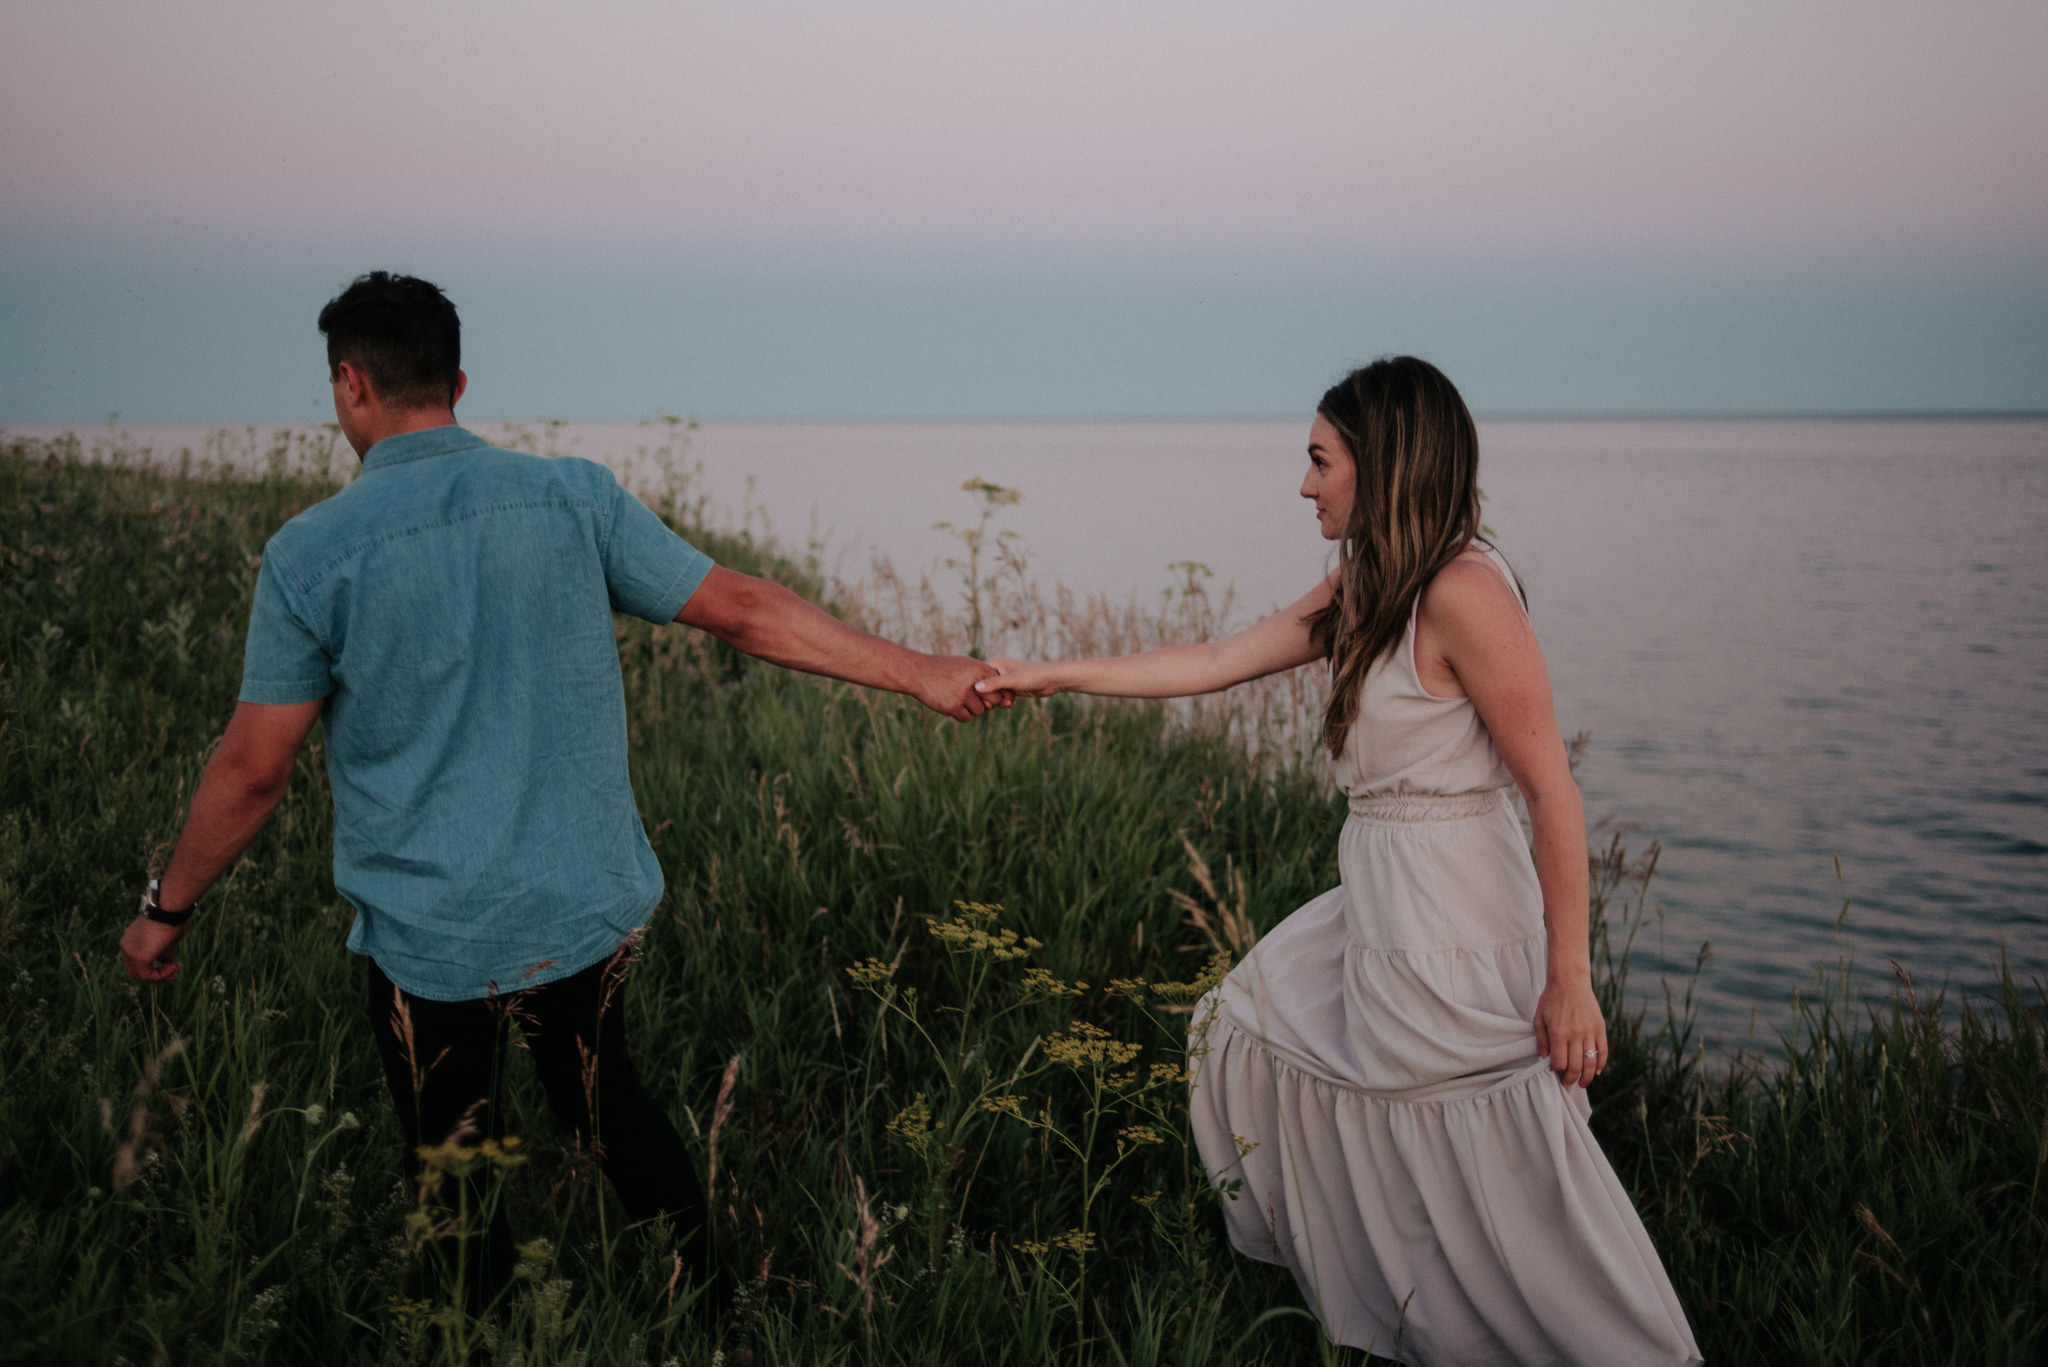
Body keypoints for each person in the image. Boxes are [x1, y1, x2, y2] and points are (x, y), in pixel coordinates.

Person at [116, 271, 998, 1317]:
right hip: (578, 907)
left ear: (350, 384)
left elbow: (254, 767)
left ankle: (477, 1334)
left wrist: (164, 908)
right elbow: (745, 609)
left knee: (453, 1159)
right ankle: (713, 1313)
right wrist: (923, 670)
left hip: (428, 931)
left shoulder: (312, 554)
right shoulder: (573, 495)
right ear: (458, 378)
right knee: (607, 1105)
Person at [976, 357, 1701, 1365]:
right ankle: (1418, 1321)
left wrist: (1568, 977)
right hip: (1381, 900)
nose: (1303, 484)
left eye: (1319, 461)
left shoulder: (1464, 590)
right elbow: (1216, 658)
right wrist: (1048, 671)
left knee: (1488, 1151)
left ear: (1384, 464)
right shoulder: (1372, 583)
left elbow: (1551, 791)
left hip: (1454, 909)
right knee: (1248, 1028)